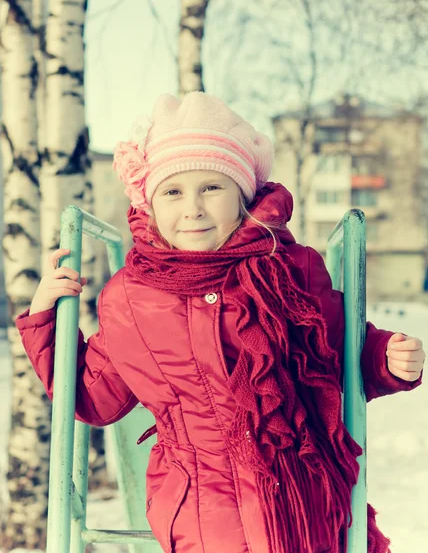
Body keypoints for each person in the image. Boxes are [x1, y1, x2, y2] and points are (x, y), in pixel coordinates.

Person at [16, 92, 425, 553]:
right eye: (172, 191)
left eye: (212, 187)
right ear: (149, 203)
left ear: (244, 195)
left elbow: (333, 357)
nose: (192, 208)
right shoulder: (130, 297)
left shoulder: (289, 270)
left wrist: (382, 357)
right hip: (202, 515)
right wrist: (46, 321)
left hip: (305, 504)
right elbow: (94, 399)